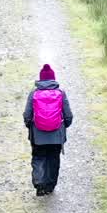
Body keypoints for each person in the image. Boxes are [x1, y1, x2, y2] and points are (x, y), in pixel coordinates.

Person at [23, 64, 73, 196]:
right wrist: (64, 126)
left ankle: (40, 184)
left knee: (39, 157)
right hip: (56, 135)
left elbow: (27, 115)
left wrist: (30, 126)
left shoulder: (34, 93)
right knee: (53, 159)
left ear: (41, 79)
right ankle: (50, 186)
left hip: (38, 135)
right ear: (53, 79)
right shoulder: (61, 93)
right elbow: (68, 115)